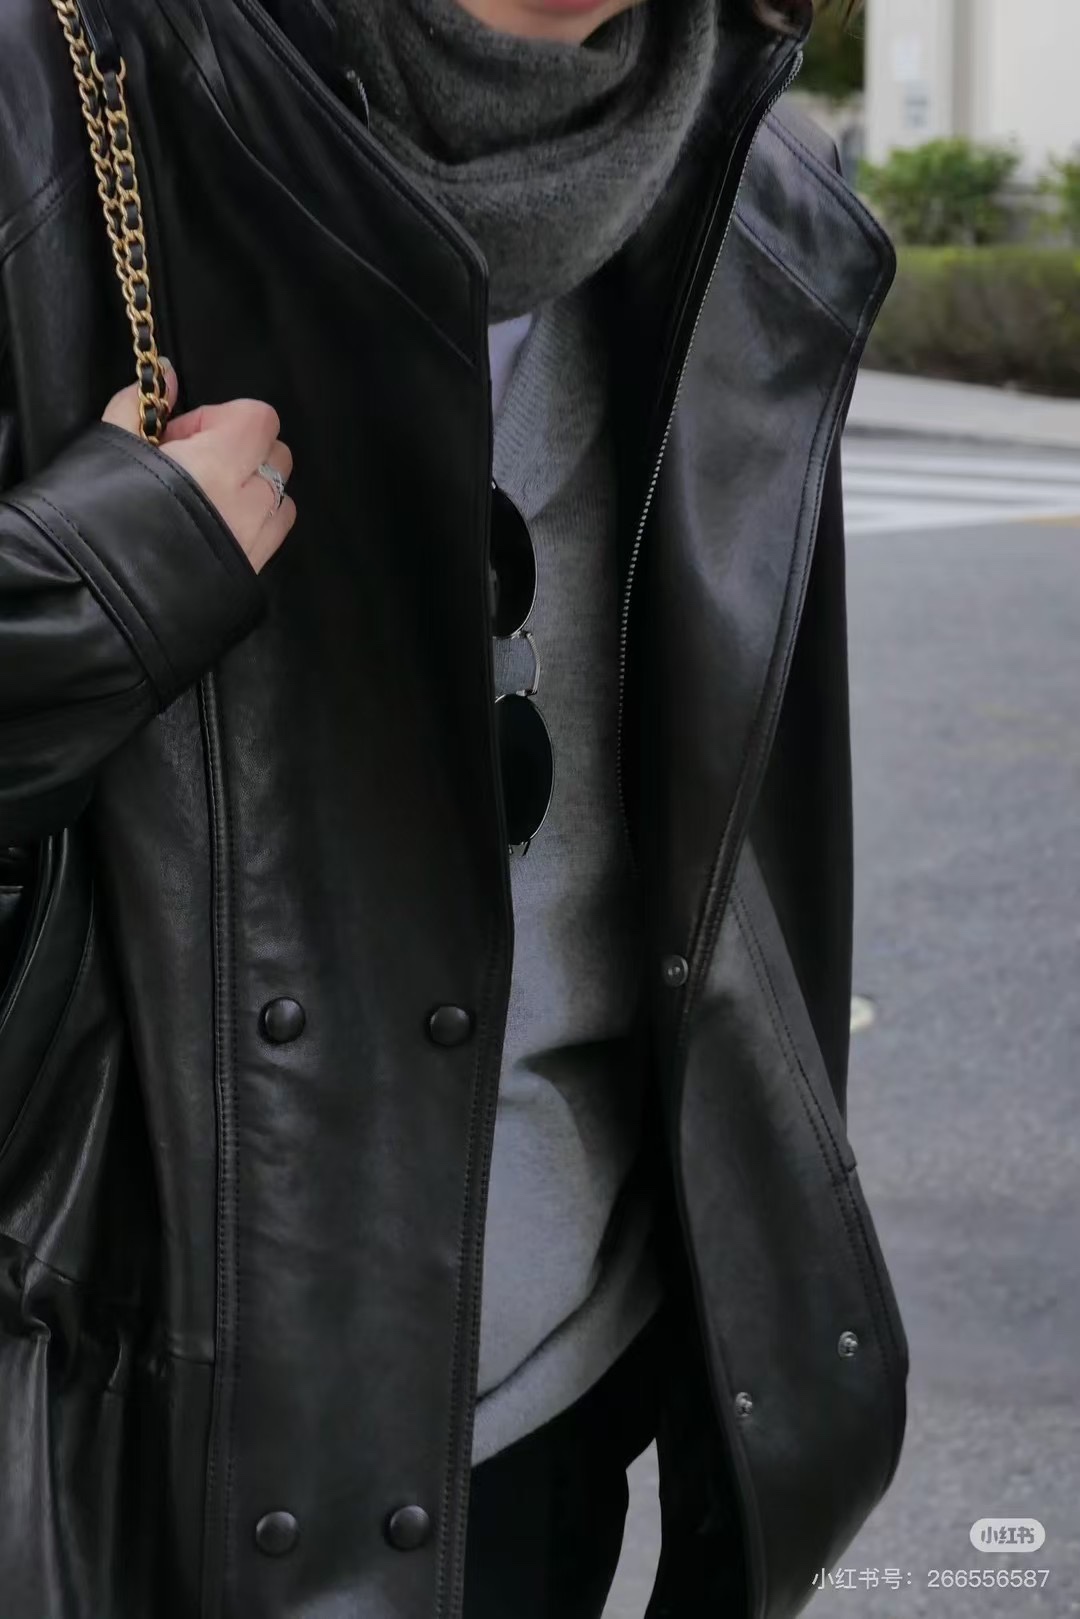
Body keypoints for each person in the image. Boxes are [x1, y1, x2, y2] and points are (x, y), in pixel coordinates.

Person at [0, 0, 908, 1615]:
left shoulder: (752, 182)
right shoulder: (48, 96)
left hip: (550, 1421)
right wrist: (91, 590)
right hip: (113, 1438)